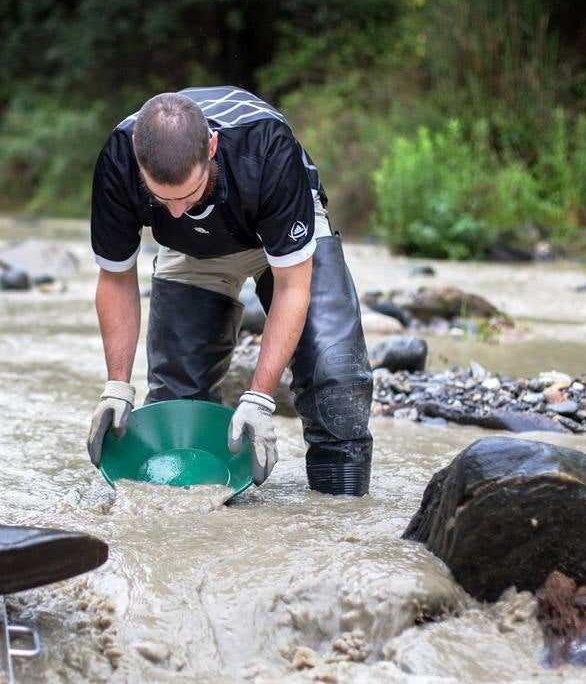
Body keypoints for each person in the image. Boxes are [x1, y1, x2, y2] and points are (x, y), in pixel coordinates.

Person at [86, 86, 373, 496]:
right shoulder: (118, 158)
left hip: (279, 242)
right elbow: (115, 277)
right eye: (160, 197)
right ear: (137, 158)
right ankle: (198, 520)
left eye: (188, 193)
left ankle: (341, 513)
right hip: (192, 253)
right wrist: (116, 385)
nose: (176, 211)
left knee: (337, 379)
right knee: (176, 410)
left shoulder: (267, 145)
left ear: (212, 148)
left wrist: (260, 398)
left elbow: (292, 287)